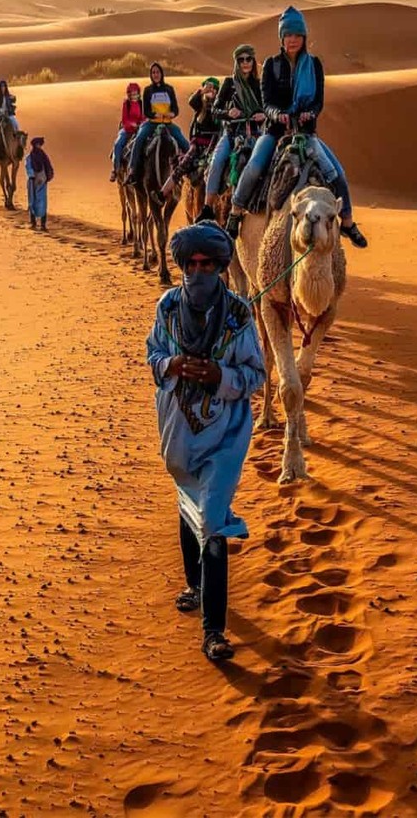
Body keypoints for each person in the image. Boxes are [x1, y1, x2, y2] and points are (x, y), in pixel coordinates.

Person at [145, 221, 265, 663]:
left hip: (224, 435)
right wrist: (173, 364)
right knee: (187, 500)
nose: (198, 272)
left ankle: (213, 630)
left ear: (220, 266)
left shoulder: (238, 314)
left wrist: (220, 377)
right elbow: (151, 354)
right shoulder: (167, 308)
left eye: (207, 264)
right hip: (178, 429)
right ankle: (194, 585)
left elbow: (256, 375)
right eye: (191, 264)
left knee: (211, 517)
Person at [226, 7, 367, 248]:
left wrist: (310, 113)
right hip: (276, 131)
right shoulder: (271, 65)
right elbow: (267, 101)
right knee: (255, 166)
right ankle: (236, 211)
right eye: (288, 35)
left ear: (304, 37)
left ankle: (347, 222)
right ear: (282, 38)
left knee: (338, 174)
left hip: (305, 132)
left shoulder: (314, 65)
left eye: (297, 35)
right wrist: (277, 114)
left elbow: (318, 100)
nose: (292, 40)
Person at [197, 44, 266, 222]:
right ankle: (208, 207)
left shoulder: (259, 85)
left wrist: (263, 114)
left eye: (248, 59)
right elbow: (215, 110)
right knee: (217, 161)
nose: (245, 63)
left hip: (256, 133)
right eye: (241, 59)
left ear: (253, 61)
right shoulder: (229, 83)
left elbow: (269, 109)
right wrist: (228, 113)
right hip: (232, 133)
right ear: (236, 62)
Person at [156, 77, 223, 202]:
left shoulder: (220, 107)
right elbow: (191, 101)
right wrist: (201, 92)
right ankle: (162, 194)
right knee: (182, 167)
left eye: (214, 88)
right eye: (208, 87)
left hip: (215, 146)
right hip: (197, 146)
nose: (211, 91)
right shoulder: (199, 105)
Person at [128, 62, 189, 184]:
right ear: (151, 75)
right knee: (139, 138)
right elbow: (146, 111)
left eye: (157, 72)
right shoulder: (148, 90)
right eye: (153, 72)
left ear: (162, 73)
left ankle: (191, 169)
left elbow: (175, 109)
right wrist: (156, 115)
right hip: (152, 124)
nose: (155, 75)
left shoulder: (169, 89)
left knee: (183, 141)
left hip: (167, 124)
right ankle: (132, 170)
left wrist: (171, 114)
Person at [110, 81, 145, 182]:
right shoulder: (127, 104)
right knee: (118, 144)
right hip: (127, 130)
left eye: (135, 93)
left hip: (140, 129)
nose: (134, 95)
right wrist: (132, 125)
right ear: (128, 94)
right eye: (132, 93)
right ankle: (115, 170)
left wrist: (140, 124)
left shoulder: (142, 103)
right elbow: (125, 120)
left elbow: (145, 117)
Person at [25, 136, 54, 231]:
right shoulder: (29, 157)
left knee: (42, 203)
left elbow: (48, 167)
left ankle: (43, 225)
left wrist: (48, 176)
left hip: (42, 182)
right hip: (33, 182)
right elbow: (28, 168)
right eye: (37, 145)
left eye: (40, 145)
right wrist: (32, 176)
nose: (39, 146)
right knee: (32, 202)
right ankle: (33, 223)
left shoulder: (43, 156)